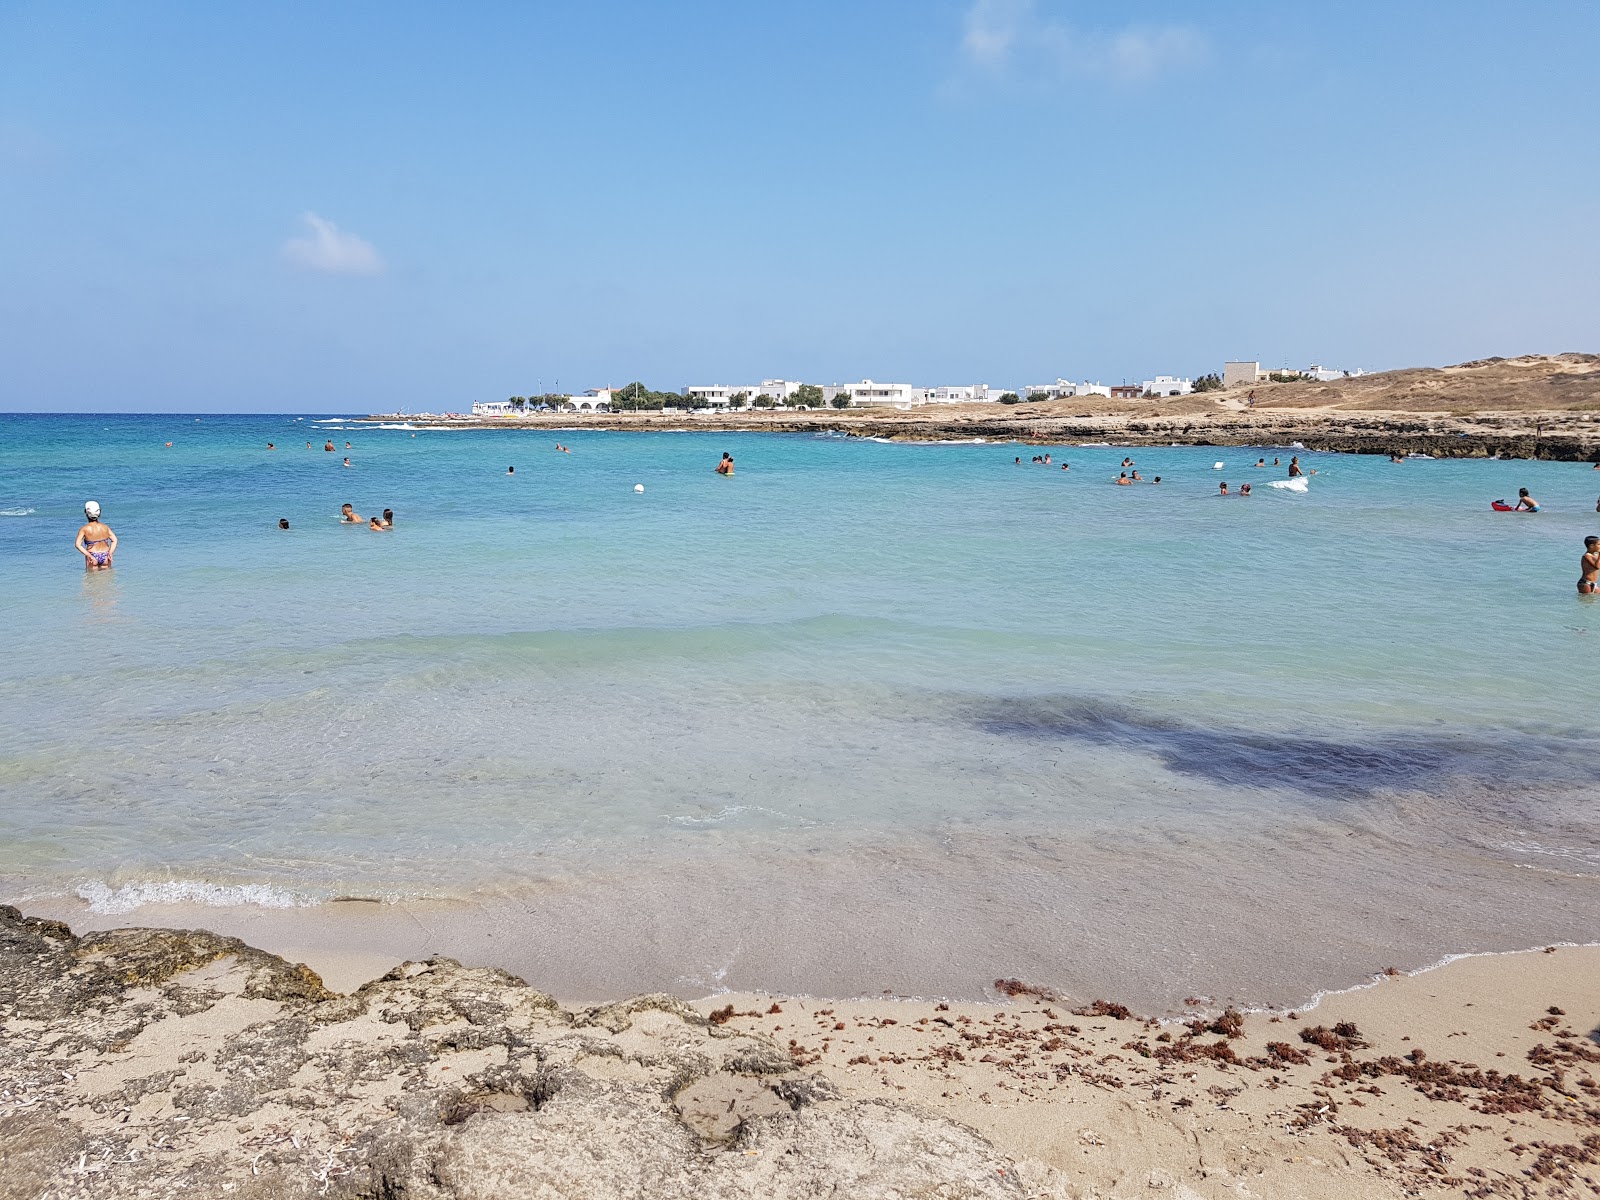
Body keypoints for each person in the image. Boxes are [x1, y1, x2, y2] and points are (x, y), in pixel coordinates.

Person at [75, 501, 116, 569]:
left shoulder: (84, 529)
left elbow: (77, 545)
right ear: (99, 514)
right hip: (105, 555)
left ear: (86, 513)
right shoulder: (105, 527)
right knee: (107, 578)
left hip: (92, 555)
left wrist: (89, 555)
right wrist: (110, 553)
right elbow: (114, 540)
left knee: (91, 579)